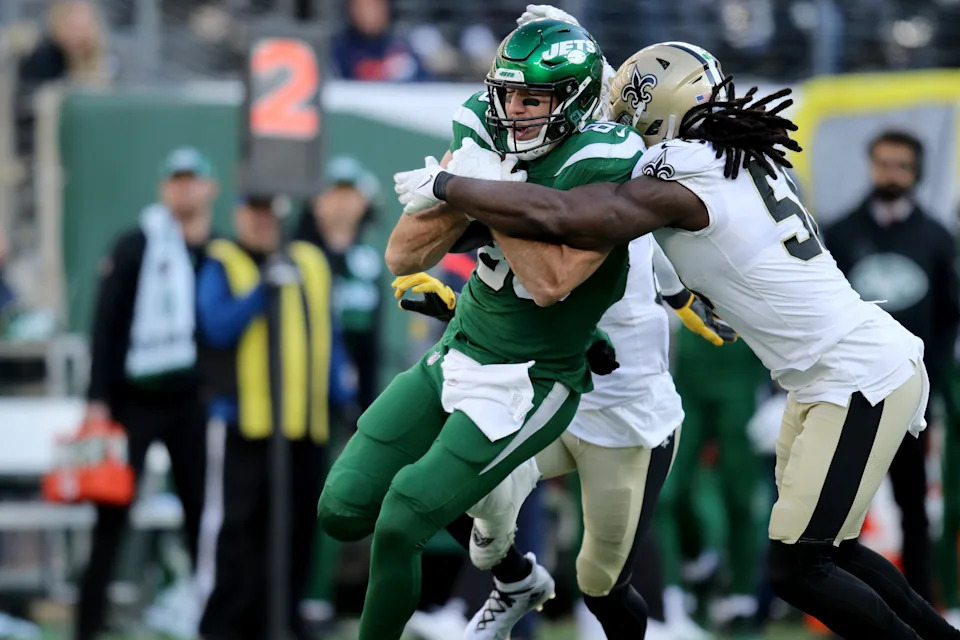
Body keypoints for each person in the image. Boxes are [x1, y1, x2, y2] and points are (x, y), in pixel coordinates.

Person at [397, 41, 960, 640]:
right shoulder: (731, 157)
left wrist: (451, 184)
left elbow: (566, 217)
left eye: (628, 107)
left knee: (802, 570)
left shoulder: (684, 171)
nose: (620, 121)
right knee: (832, 555)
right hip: (831, 373)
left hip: (852, 375)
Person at [317, 19, 645, 640]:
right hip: (458, 352)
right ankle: (515, 571)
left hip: (534, 378)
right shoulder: (484, 134)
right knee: (342, 508)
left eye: (532, 100)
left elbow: (551, 282)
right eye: (507, 94)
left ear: (573, 101)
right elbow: (401, 254)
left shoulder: (604, 164)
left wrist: (489, 193)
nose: (512, 112)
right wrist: (470, 188)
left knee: (403, 516)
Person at [393, 231, 734, 640]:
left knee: (603, 586)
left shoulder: (616, 188)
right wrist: (448, 189)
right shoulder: (530, 184)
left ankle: (655, 615)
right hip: (553, 394)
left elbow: (613, 247)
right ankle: (515, 582)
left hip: (625, 416)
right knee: (440, 485)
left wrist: (681, 296)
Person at [194, 194, 351, 640]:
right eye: (254, 211)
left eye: (270, 212)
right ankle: (224, 627)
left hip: (305, 425)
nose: (263, 221)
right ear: (238, 213)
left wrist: (345, 399)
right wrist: (262, 289)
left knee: (299, 532)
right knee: (239, 535)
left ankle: (283, 620)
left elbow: (329, 334)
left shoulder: (311, 261)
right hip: (247, 425)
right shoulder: (223, 260)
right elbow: (216, 326)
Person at [77, 147, 216, 640]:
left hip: (191, 403)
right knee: (110, 518)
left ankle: (209, 621)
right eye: (175, 180)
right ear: (164, 188)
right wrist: (97, 400)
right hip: (134, 402)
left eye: (192, 179)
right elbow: (106, 324)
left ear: (209, 188)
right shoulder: (135, 244)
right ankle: (87, 625)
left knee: (204, 519)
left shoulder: (217, 250)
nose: (183, 188)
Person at [824, 130, 960, 603]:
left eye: (901, 165)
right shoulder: (839, 233)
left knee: (913, 508)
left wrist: (929, 380)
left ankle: (920, 606)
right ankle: (851, 609)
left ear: (916, 171)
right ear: (870, 165)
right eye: (883, 163)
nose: (891, 174)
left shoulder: (937, 238)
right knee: (845, 510)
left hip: (909, 401)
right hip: (853, 396)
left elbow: (948, 317)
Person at [296, 156, 382, 409]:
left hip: (354, 394)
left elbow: (371, 341)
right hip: (305, 393)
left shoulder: (369, 260)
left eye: (350, 193)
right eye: (335, 192)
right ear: (316, 200)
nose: (342, 203)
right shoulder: (297, 255)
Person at [331, 0, 429, 81]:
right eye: (361, 6)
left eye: (374, 5)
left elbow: (424, 86)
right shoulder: (339, 51)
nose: (367, 12)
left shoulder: (402, 47)